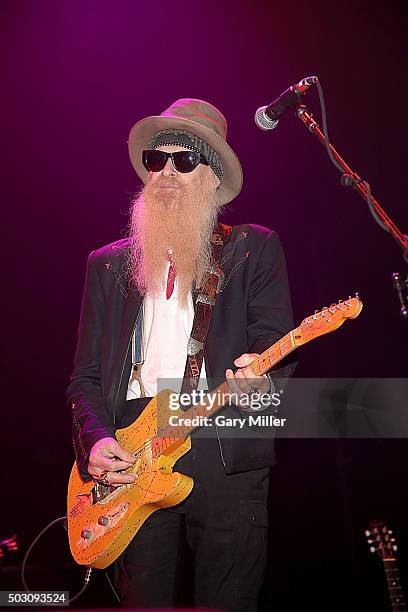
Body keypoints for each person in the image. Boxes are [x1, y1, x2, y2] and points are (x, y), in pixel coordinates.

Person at [67, 98, 295, 611]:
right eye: (156, 160)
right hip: (133, 446)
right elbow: (85, 376)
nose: (166, 172)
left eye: (184, 161)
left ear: (213, 177)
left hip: (222, 438)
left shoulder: (253, 250)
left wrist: (258, 380)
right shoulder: (106, 267)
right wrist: (96, 442)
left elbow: (274, 344)